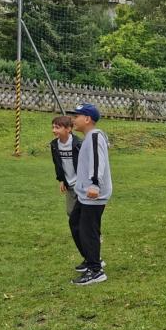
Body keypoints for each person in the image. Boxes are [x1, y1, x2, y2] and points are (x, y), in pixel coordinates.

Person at [66, 103, 113, 286]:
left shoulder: (94, 137)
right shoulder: (88, 138)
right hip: (85, 193)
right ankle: (91, 258)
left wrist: (94, 184)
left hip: (94, 193)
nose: (73, 119)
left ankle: (96, 270)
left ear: (87, 119)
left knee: (88, 230)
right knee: (75, 223)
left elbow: (97, 161)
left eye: (77, 116)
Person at [50, 115, 82, 219]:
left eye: (57, 127)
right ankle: (79, 233)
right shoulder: (54, 145)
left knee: (86, 212)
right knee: (70, 212)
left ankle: (93, 235)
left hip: (82, 184)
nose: (54, 130)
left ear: (68, 129)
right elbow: (57, 164)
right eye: (53, 127)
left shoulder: (79, 144)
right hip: (70, 184)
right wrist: (61, 180)